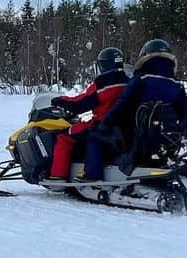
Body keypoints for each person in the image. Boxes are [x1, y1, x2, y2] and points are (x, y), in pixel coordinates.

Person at [82, 39, 187, 177]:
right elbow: (185, 116)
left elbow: (122, 105)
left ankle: (92, 176)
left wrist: (105, 125)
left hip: (137, 139)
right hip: (166, 142)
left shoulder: (141, 80)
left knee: (94, 136)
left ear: (145, 57)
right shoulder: (177, 86)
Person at [47, 46, 129, 180]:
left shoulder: (102, 84)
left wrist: (60, 100)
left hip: (102, 124)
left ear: (103, 64)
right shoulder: (128, 81)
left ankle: (58, 176)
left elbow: (80, 104)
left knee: (64, 136)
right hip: (123, 127)